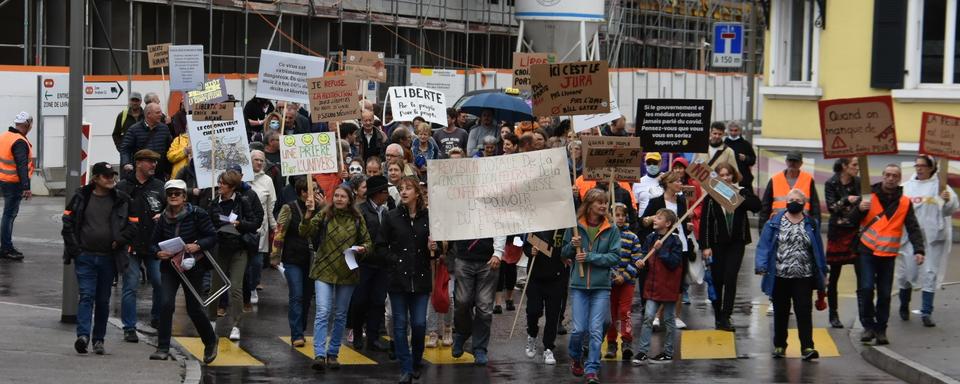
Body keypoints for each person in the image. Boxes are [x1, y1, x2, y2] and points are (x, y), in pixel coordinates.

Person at [62, 162, 135, 355]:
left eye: (113, 175)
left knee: (103, 300)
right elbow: (67, 222)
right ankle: (83, 336)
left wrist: (120, 240)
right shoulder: (81, 196)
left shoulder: (121, 199)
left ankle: (98, 340)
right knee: (86, 295)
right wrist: (75, 250)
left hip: (108, 258)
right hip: (85, 256)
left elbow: (133, 224)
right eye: (106, 176)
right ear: (95, 179)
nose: (111, 179)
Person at [301, 185, 373, 371]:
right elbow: (305, 232)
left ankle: (333, 353)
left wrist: (362, 249)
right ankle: (319, 353)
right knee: (323, 311)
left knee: (340, 314)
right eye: (337, 196)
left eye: (343, 196)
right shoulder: (325, 215)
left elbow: (368, 243)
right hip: (323, 269)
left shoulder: (358, 219)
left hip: (347, 271)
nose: (339, 199)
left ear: (350, 199)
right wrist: (308, 215)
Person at [853, 164, 926, 345]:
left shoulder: (904, 202)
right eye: (888, 175)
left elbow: (913, 227)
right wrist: (859, 209)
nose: (891, 178)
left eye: (895, 176)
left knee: (885, 294)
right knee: (867, 288)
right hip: (867, 251)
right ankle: (868, 326)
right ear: (883, 176)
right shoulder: (869, 196)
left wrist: (919, 249)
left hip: (888, 254)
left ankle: (881, 329)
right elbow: (852, 220)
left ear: (899, 179)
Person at [149, 179, 218, 364]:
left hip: (192, 266)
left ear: (184, 196)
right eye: (170, 193)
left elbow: (212, 236)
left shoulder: (198, 214)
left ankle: (210, 342)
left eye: (177, 193)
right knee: (165, 304)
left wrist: (197, 246)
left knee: (194, 308)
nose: (173, 196)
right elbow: (152, 243)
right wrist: (158, 252)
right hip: (170, 268)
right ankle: (163, 347)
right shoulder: (162, 218)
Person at [754, 188, 828, 360]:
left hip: (804, 275)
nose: (794, 202)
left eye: (797, 199)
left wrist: (823, 272)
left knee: (804, 311)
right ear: (786, 202)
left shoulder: (811, 223)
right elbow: (764, 246)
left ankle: (807, 346)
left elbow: (818, 250)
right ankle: (780, 345)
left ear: (804, 203)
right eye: (790, 199)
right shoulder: (774, 222)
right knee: (781, 311)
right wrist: (761, 265)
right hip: (779, 275)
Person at [563, 189, 621, 384]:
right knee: (578, 330)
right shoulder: (575, 227)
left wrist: (590, 257)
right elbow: (564, 253)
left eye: (605, 202)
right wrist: (572, 245)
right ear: (589, 205)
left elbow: (615, 256)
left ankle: (592, 369)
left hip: (601, 287)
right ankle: (575, 356)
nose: (603, 206)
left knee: (596, 330)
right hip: (579, 286)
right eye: (599, 202)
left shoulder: (611, 229)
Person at [382, 177, 436, 383]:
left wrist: (436, 248)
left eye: (408, 189)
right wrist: (394, 260)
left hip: (420, 278)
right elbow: (381, 246)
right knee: (400, 324)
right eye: (401, 189)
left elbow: (438, 249)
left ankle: (415, 361)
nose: (403, 192)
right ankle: (405, 368)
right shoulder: (391, 217)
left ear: (416, 193)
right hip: (398, 279)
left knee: (420, 324)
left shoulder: (428, 218)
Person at [699, 162, 761, 331]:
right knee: (718, 280)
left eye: (728, 175)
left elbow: (757, 206)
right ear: (717, 177)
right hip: (717, 244)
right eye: (722, 175)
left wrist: (739, 196)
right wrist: (705, 246)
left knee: (730, 278)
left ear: (733, 175)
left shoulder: (741, 191)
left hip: (737, 243)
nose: (726, 178)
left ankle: (727, 315)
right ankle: (718, 315)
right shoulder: (711, 197)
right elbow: (705, 223)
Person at [897, 156, 957, 327]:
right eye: (917, 165)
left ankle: (926, 312)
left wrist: (947, 200)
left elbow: (949, 209)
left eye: (923, 166)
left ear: (932, 168)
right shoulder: (906, 188)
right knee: (906, 274)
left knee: (929, 273)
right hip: (909, 239)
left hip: (932, 240)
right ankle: (903, 304)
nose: (919, 168)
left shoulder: (941, 187)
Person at [116, 150, 165, 342]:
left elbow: (170, 209)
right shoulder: (123, 186)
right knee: (130, 286)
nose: (153, 165)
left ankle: (157, 317)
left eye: (155, 162)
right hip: (130, 245)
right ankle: (129, 327)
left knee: (160, 282)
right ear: (138, 163)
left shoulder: (159, 186)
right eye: (149, 162)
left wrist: (163, 215)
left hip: (153, 245)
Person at [207, 170, 262, 341]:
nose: (219, 186)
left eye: (223, 183)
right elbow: (207, 223)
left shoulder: (243, 201)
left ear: (231, 187)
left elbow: (255, 223)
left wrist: (239, 224)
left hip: (239, 249)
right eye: (219, 182)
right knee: (214, 288)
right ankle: (211, 321)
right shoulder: (213, 203)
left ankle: (236, 325)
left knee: (236, 288)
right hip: (220, 248)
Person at [638, 171, 693, 330]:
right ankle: (656, 315)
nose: (680, 184)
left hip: (681, 244)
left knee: (679, 281)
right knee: (662, 280)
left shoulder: (682, 201)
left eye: (681, 181)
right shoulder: (656, 202)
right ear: (668, 184)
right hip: (662, 245)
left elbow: (683, 225)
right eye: (677, 181)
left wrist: (688, 226)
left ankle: (675, 316)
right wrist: (648, 219)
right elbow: (643, 222)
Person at [630, 208, 684, 365]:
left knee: (668, 320)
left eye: (659, 218)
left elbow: (675, 263)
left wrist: (661, 252)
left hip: (668, 286)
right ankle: (642, 352)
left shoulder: (675, 241)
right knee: (648, 317)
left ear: (667, 223)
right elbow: (645, 256)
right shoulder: (650, 238)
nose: (654, 219)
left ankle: (668, 352)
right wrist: (641, 262)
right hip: (652, 286)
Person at [271, 178, 320, 348]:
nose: (316, 193)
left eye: (317, 189)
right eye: (312, 190)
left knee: (307, 297)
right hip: (293, 258)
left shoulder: (320, 208)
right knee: (297, 295)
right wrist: (275, 255)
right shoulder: (289, 208)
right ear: (303, 192)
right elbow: (279, 232)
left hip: (312, 259)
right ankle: (296, 333)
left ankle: (301, 326)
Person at [349, 175, 394, 352]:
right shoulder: (360, 211)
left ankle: (373, 337)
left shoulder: (388, 211)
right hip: (364, 263)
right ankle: (358, 333)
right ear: (377, 193)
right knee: (360, 301)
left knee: (377, 301)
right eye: (385, 191)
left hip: (382, 264)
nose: (388, 195)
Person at [451, 231, 507, 366]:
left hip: (488, 259)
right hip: (464, 257)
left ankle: (480, 347)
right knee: (461, 302)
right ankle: (463, 332)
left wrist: (498, 253)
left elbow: (499, 225)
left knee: (484, 307)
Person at [823, 157, 861, 328]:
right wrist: (847, 200)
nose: (857, 168)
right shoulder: (831, 183)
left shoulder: (860, 182)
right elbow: (831, 207)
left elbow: (865, 203)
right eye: (854, 165)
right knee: (834, 277)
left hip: (856, 232)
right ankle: (833, 314)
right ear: (844, 167)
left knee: (863, 275)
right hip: (837, 233)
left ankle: (863, 314)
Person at [522, 229, 567, 365]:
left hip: (557, 276)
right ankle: (532, 334)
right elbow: (525, 246)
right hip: (535, 277)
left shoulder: (563, 227)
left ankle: (548, 347)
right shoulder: (534, 224)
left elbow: (567, 247)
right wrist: (530, 251)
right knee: (533, 310)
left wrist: (569, 251)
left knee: (553, 314)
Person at [604, 203, 642, 361]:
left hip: (627, 281)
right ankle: (611, 343)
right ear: (611, 216)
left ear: (626, 217)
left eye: (622, 215)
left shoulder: (632, 237)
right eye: (616, 215)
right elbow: (604, 258)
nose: (619, 218)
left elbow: (636, 260)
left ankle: (626, 342)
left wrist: (624, 276)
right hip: (610, 281)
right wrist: (613, 275)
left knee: (625, 311)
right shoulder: (606, 235)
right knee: (611, 314)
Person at [244, 150, 277, 310]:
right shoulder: (241, 178)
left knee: (256, 263)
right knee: (243, 262)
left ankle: (252, 288)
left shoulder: (268, 181)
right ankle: (240, 290)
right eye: (255, 160)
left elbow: (270, 208)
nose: (258, 163)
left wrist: (275, 227)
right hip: (242, 227)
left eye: (261, 160)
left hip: (260, 230)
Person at [0, 112, 34, 260]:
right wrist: (26, 186)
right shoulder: (19, 141)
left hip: (3, 180)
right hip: (13, 183)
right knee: (9, 215)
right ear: (26, 125)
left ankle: (5, 247)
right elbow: (21, 165)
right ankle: (6, 248)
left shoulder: (5, 136)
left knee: (7, 215)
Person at [760, 151, 821, 230]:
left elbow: (815, 206)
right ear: (786, 162)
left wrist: (815, 227)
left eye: (795, 161)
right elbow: (765, 206)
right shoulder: (775, 179)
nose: (792, 163)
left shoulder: (808, 180)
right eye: (790, 160)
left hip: (802, 226)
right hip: (777, 225)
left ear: (801, 163)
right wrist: (762, 229)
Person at [119, 103, 173, 178]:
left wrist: (169, 170)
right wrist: (126, 163)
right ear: (148, 114)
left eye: (160, 112)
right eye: (157, 112)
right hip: (141, 173)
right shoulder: (134, 129)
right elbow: (125, 149)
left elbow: (170, 149)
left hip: (159, 173)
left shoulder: (164, 128)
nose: (161, 115)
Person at [724, 121, 756, 189]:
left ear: (740, 131)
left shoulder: (746, 144)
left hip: (744, 181)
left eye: (736, 130)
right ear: (727, 131)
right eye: (731, 130)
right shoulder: (723, 144)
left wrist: (746, 158)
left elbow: (753, 160)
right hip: (726, 180)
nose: (733, 133)